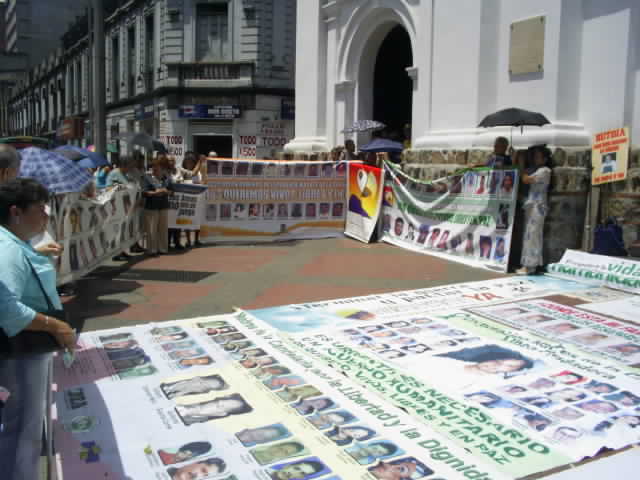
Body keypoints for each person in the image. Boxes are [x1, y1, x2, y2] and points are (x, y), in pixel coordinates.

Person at [0, 178, 77, 480]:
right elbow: (6, 307)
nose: (46, 216)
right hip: (23, 348)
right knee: (26, 425)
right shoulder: (8, 249)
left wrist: (39, 255)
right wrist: (57, 326)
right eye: (40, 209)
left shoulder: (13, 243)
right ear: (16, 212)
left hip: (24, 347)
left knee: (25, 422)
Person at [516, 146, 552, 274]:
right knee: (529, 235)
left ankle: (530, 266)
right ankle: (529, 265)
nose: (535, 159)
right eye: (535, 156)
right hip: (532, 206)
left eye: (538, 156)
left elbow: (526, 179)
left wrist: (520, 164)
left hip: (538, 207)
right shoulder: (537, 170)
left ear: (545, 159)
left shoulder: (545, 171)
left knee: (533, 236)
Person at [141, 155, 172, 256]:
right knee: (151, 229)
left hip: (163, 205)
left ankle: (163, 249)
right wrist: (155, 192)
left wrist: (166, 191)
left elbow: (172, 191)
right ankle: (152, 250)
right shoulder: (147, 178)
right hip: (151, 207)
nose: (155, 169)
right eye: (154, 167)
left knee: (163, 229)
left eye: (158, 167)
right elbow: (144, 192)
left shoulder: (166, 179)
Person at [175, 393, 252, 424]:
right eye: (217, 402)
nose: (211, 404)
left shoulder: (189, 422)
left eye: (219, 406)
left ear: (221, 414)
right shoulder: (179, 402)